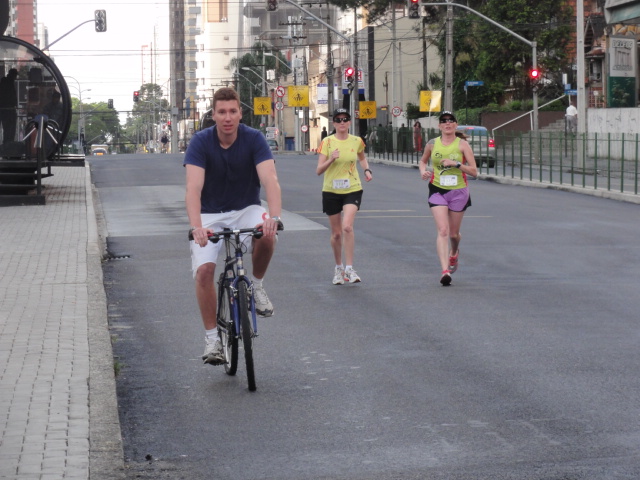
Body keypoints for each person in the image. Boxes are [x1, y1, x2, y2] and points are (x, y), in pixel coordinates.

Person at [184, 87, 283, 365]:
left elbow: (270, 180)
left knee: (266, 234)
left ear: (240, 114)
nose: (227, 117)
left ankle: (257, 286)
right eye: (222, 112)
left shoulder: (254, 139)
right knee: (205, 271)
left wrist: (274, 218)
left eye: (232, 111)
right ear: (213, 115)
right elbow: (193, 189)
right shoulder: (200, 142)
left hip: (246, 209)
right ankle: (212, 340)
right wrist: (197, 227)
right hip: (209, 214)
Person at [418, 111, 477, 286]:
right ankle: (445, 271)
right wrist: (423, 171)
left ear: (455, 124)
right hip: (437, 190)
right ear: (439, 126)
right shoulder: (432, 144)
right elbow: (423, 161)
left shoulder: (463, 145)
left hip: (459, 191)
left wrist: (456, 164)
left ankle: (454, 252)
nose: (447, 123)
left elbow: (474, 171)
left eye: (451, 120)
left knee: (453, 234)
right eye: (444, 121)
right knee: (443, 230)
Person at [316, 108, 372, 285]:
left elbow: (362, 158)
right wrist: (331, 159)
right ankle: (338, 268)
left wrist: (367, 170)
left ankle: (349, 268)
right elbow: (319, 170)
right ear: (333, 123)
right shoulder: (327, 142)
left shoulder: (356, 141)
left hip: (352, 188)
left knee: (347, 227)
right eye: (338, 119)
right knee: (337, 233)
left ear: (349, 122)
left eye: (345, 119)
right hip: (331, 190)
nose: (342, 122)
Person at [0, 68, 18, 144]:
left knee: (7, 129)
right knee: (9, 129)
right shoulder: (8, 83)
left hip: (6, 109)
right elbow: (10, 97)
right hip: (8, 109)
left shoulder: (5, 82)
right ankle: (8, 144)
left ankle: (7, 143)